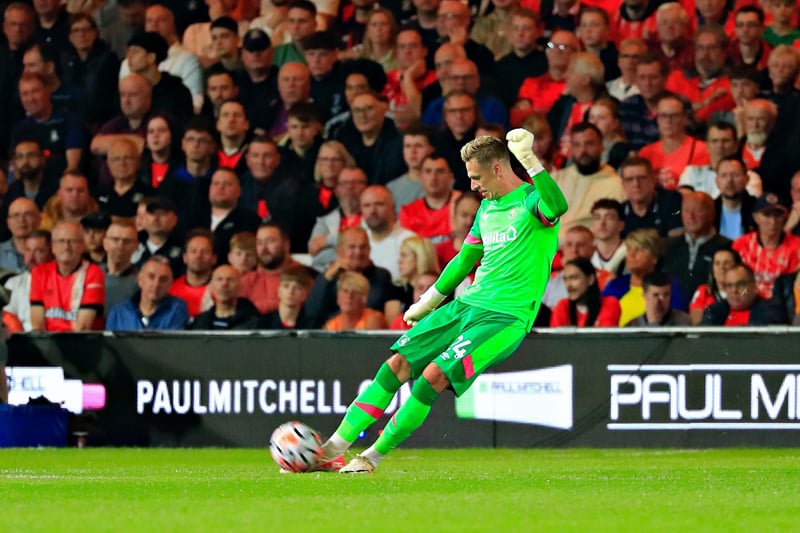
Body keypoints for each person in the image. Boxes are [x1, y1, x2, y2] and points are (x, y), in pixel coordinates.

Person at [301, 129, 567, 474]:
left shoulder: (532, 201)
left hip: (504, 317)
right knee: (396, 365)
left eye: (476, 177)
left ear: (498, 170)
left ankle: (371, 457)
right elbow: (464, 260)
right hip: (466, 306)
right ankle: (331, 450)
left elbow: (558, 206)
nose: (473, 185)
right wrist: (432, 299)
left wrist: (530, 161)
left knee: (432, 376)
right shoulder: (487, 208)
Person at [30, 222, 105, 332]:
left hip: (81, 343)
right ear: (53, 247)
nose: (66, 247)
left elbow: (83, 327)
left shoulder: (93, 272)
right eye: (61, 241)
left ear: (82, 246)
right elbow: (37, 323)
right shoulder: (40, 272)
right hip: (49, 342)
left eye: (72, 241)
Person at [732, 193, 800, 299]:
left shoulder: (796, 246)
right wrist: (742, 297)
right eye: (767, 215)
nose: (773, 221)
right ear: (755, 217)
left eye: (777, 215)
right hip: (747, 296)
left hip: (783, 302)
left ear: (785, 217)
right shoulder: (742, 244)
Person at [106, 255, 189, 330]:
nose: (156, 284)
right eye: (151, 277)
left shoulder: (176, 308)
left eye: (163, 279)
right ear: (140, 280)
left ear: (170, 284)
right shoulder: (118, 312)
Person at [701, 263, 787, 325]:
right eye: (729, 285)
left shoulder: (771, 311)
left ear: (753, 285)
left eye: (741, 284)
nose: (734, 290)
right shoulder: (714, 311)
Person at [549, 257, 621, 328]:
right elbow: (556, 338)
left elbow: (603, 337)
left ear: (590, 279)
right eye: (565, 279)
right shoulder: (563, 306)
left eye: (574, 278)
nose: (568, 285)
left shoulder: (609, 303)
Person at [191, 265, 260, 330]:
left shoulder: (253, 323)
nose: (224, 284)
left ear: (240, 287)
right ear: (211, 287)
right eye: (219, 279)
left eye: (230, 280)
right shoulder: (199, 322)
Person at [688, 247, 742, 325]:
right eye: (717, 263)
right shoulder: (703, 291)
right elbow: (696, 324)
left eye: (727, 263)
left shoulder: (745, 291)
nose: (722, 268)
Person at [323, 271, 389, 330]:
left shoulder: (373, 319)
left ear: (364, 299)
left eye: (355, 292)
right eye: (345, 291)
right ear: (338, 298)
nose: (349, 296)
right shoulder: (331, 325)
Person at [626, 271, 691, 326]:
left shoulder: (683, 322)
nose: (661, 300)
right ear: (644, 295)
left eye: (666, 295)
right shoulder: (632, 326)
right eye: (656, 295)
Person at [260, 264, 315, 329]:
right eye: (286, 286)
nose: (291, 292)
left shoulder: (313, 326)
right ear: (279, 291)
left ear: (305, 294)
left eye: (297, 287)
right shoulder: (262, 324)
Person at [102, 219, 139, 309]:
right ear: (105, 243)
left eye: (127, 241)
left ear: (136, 246)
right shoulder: (89, 276)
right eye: (115, 239)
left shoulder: (142, 282)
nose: (120, 245)